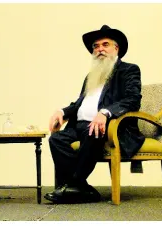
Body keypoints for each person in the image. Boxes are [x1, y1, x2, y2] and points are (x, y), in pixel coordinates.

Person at [45, 25, 145, 204]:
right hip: (80, 125)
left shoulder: (129, 70)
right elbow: (79, 103)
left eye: (105, 44)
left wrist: (106, 113)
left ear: (116, 48)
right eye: (96, 46)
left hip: (111, 127)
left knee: (94, 130)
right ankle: (81, 188)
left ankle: (73, 187)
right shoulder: (92, 75)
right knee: (56, 139)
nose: (100, 49)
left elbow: (132, 99)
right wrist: (62, 112)